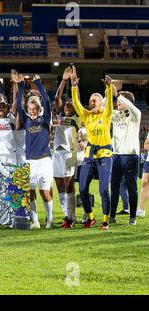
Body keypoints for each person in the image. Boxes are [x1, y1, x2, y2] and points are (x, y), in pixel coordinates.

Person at [70, 67, 114, 230]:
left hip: (105, 153)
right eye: (90, 101)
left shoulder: (106, 114)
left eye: (94, 100)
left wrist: (109, 88)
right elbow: (76, 104)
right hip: (89, 153)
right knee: (82, 189)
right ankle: (91, 217)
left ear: (100, 102)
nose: (91, 102)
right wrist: (74, 87)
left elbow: (109, 103)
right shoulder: (86, 115)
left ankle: (105, 220)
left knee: (103, 189)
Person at [15, 70, 54, 229]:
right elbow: (19, 105)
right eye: (29, 108)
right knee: (30, 193)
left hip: (44, 161)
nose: (31, 111)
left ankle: (49, 219)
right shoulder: (25, 119)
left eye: (34, 108)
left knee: (45, 192)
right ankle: (35, 221)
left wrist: (38, 83)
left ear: (38, 109)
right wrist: (21, 85)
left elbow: (46, 100)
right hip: (30, 162)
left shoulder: (45, 119)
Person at [53, 67, 80, 228]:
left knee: (69, 184)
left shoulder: (78, 117)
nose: (66, 106)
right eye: (66, 105)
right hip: (56, 152)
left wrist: (73, 82)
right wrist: (63, 80)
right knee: (58, 184)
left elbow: (75, 101)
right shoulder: (59, 116)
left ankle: (72, 216)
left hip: (69, 153)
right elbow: (57, 96)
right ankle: (66, 215)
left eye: (70, 104)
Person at [110, 89, 141, 225]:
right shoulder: (116, 115)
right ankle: (111, 216)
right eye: (117, 101)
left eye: (120, 101)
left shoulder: (135, 115)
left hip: (130, 156)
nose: (117, 103)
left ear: (127, 102)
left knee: (131, 188)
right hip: (116, 156)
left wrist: (118, 95)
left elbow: (132, 107)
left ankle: (132, 217)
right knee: (114, 188)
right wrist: (108, 92)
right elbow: (104, 108)